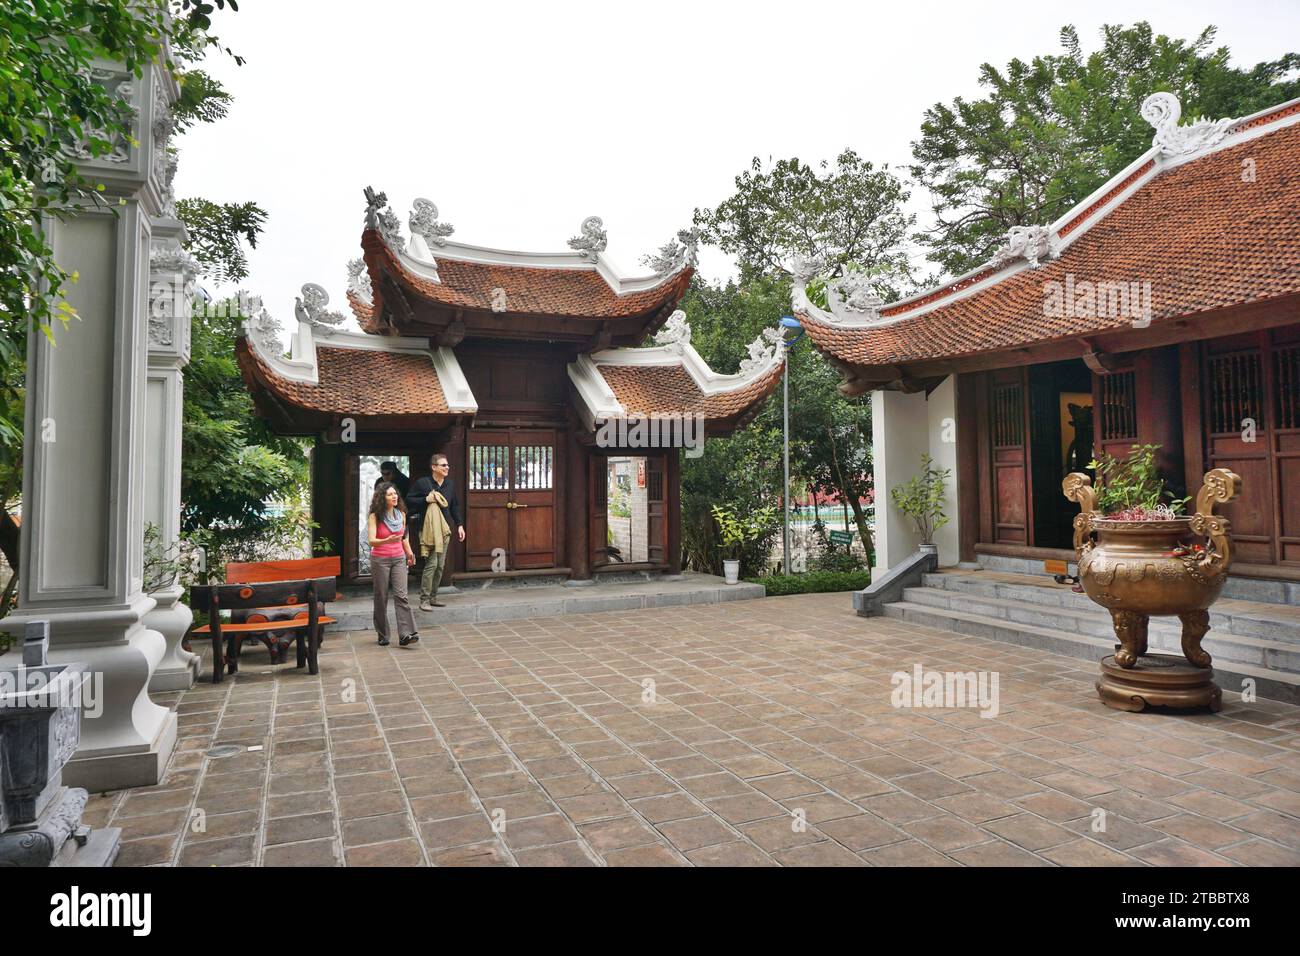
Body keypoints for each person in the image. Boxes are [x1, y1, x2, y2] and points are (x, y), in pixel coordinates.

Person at [406, 452, 465, 611]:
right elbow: (409, 500)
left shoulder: (449, 485)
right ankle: (424, 599)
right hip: (427, 530)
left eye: (447, 465)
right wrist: (425, 500)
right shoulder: (423, 483)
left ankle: (433, 597)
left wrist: (459, 524)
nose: (447, 467)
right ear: (434, 467)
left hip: (445, 530)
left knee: (440, 565)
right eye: (443, 465)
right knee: (432, 563)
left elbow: (454, 506)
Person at [368, 481, 417, 647]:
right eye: (390, 494)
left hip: (398, 558)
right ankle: (383, 634)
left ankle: (406, 634)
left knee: (402, 596)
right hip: (380, 560)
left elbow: (404, 538)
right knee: (381, 597)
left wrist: (409, 553)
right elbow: (371, 541)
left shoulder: (401, 514)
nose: (394, 496)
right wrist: (386, 540)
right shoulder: (375, 516)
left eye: (395, 493)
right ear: (382, 498)